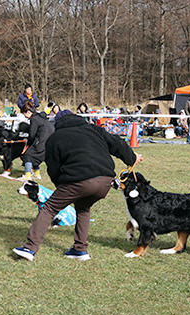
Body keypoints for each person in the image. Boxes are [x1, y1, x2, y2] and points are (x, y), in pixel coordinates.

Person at [13, 110, 141, 261]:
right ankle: (80, 250)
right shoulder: (94, 129)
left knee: (49, 208)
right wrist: (131, 158)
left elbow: (53, 168)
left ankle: (30, 248)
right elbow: (117, 143)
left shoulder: (55, 138)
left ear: (58, 123)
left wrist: (61, 187)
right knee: (83, 208)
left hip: (79, 180)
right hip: (106, 180)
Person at [19, 101, 54, 180]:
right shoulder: (40, 116)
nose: (25, 116)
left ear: (28, 112)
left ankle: (27, 176)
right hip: (50, 141)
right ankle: (37, 174)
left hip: (42, 141)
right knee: (35, 157)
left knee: (27, 155)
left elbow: (32, 134)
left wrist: (28, 142)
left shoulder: (34, 119)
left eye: (24, 114)